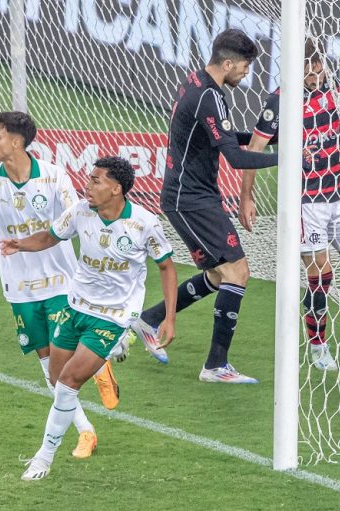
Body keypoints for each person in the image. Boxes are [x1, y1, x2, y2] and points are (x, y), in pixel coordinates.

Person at [0, 111, 119, 462]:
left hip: (60, 281)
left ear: (17, 141)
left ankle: (101, 360)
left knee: (67, 359)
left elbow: (76, 216)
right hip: (19, 288)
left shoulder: (54, 177)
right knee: (49, 369)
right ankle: (86, 430)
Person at [0, 156, 178, 481]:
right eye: (89, 178)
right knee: (56, 382)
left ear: (116, 188)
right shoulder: (81, 211)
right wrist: (20, 245)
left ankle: (44, 458)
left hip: (112, 317)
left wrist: (169, 318)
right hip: (75, 308)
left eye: (96, 180)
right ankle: (107, 360)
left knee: (68, 384)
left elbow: (166, 267)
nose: (88, 185)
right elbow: (51, 236)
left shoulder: (144, 223)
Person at [239, 39, 340, 372]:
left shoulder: (330, 84)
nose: (315, 76)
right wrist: (247, 196)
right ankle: (318, 348)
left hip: (337, 194)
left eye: (319, 68)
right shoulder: (280, 102)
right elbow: (254, 148)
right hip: (304, 202)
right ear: (295, 68)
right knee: (321, 275)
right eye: (309, 70)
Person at [131, 29, 279, 383]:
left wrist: (269, 139)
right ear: (227, 63)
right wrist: (286, 159)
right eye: (244, 67)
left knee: (218, 275)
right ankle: (215, 365)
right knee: (237, 272)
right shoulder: (209, 97)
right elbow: (235, 157)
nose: (246, 74)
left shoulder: (197, 83)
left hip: (195, 196)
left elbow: (224, 136)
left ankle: (150, 320)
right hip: (189, 200)